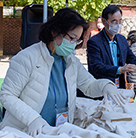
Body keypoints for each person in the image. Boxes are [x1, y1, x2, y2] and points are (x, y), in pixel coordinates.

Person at [0, 8, 126, 137]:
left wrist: (106, 86)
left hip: (58, 131)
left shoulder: (71, 61)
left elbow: (88, 85)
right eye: (71, 38)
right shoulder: (27, 57)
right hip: (26, 131)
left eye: (77, 40)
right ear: (55, 31)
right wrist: (32, 119)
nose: (73, 44)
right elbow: (7, 95)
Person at [87, 6, 136, 99]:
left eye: (120, 21)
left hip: (119, 88)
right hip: (102, 90)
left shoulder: (121, 39)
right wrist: (120, 70)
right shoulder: (94, 42)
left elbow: (132, 59)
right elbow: (96, 67)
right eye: (114, 21)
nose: (118, 24)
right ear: (104, 21)